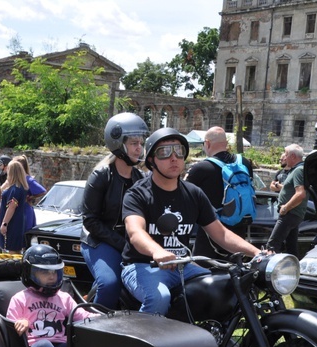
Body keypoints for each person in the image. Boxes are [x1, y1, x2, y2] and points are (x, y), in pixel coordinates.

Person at [121, 128, 262, 315]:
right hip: (142, 266)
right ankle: (142, 343)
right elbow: (136, 233)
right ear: (151, 161)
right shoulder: (137, 194)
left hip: (183, 265)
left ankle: (218, 342)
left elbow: (221, 233)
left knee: (222, 289)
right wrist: (157, 251)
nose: (174, 158)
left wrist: (258, 253)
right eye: (164, 152)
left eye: (179, 151)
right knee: (159, 298)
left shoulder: (193, 193)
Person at [80, 112, 149, 308]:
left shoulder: (141, 179)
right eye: (134, 143)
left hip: (129, 242)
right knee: (109, 283)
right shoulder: (101, 175)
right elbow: (90, 220)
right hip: (98, 240)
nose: (139, 148)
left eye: (141, 143)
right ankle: (94, 325)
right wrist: (121, 243)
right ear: (119, 144)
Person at [7, 245, 95, 347]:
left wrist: (108, 318)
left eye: (54, 272)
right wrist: (21, 322)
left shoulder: (64, 297)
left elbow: (84, 316)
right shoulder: (20, 298)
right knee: (45, 345)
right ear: (30, 272)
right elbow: (9, 326)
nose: (51, 276)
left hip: (59, 346)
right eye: (45, 272)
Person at [185, 126, 256, 259]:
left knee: (203, 273)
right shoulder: (244, 163)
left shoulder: (201, 168)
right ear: (226, 143)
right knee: (236, 273)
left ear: (207, 143)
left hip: (210, 234)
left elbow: (183, 196)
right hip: (239, 233)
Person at [267, 143, 307, 257]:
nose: (284, 156)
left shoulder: (299, 170)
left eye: (286, 153)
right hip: (293, 214)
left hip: (290, 213)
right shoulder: (296, 170)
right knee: (291, 248)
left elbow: (300, 194)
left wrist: (285, 207)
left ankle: (268, 272)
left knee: (272, 246)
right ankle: (293, 271)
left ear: (293, 156)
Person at [0, 160, 29, 253]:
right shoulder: (17, 187)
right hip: (15, 220)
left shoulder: (16, 189)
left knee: (12, 252)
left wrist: (4, 224)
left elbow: (11, 207)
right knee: (12, 251)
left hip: (12, 223)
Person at [13, 155, 46, 232]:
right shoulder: (17, 178)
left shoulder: (28, 179)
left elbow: (42, 191)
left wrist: (30, 197)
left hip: (25, 211)